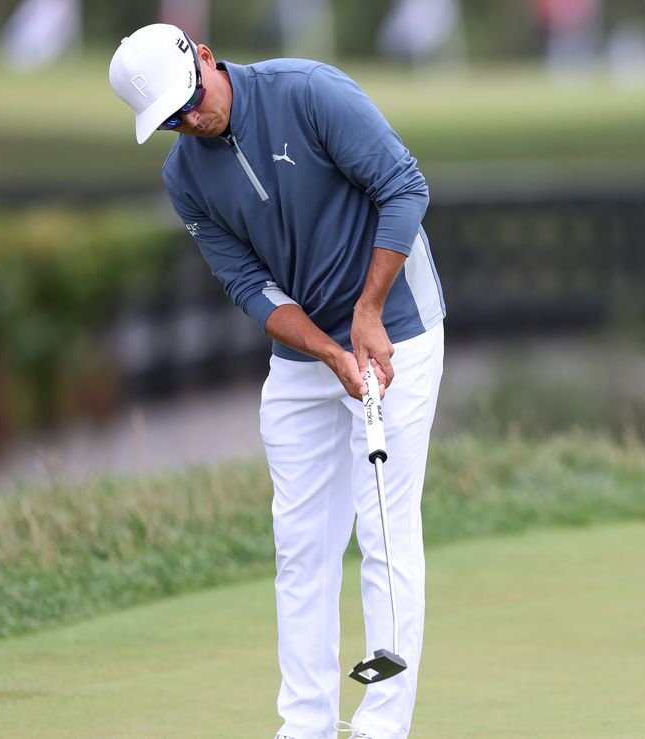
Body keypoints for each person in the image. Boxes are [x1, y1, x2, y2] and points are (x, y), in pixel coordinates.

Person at [109, 24, 446, 739]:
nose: (189, 120)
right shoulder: (184, 177)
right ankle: (306, 725)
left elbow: (405, 186)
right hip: (307, 356)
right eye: (170, 118)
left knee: (384, 527)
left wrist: (367, 313)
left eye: (189, 100)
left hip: (399, 330)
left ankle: (381, 726)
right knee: (300, 544)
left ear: (203, 56)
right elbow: (251, 288)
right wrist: (328, 352)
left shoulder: (308, 92)